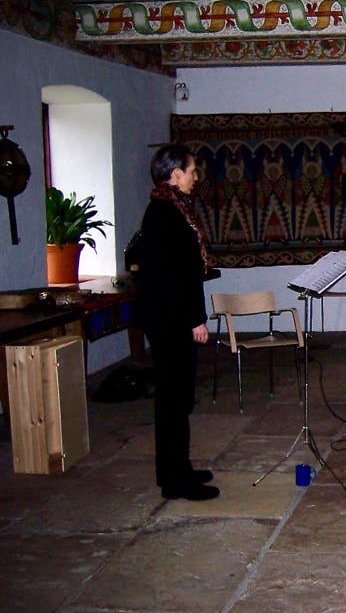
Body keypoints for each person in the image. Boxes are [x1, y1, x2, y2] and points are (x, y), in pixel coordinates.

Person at [136, 144, 219, 501]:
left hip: (170, 317)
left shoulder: (171, 208)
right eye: (192, 170)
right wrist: (194, 320)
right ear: (175, 174)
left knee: (178, 398)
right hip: (170, 319)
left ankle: (179, 468)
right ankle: (174, 481)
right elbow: (176, 276)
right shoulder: (164, 213)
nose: (195, 177)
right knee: (173, 400)